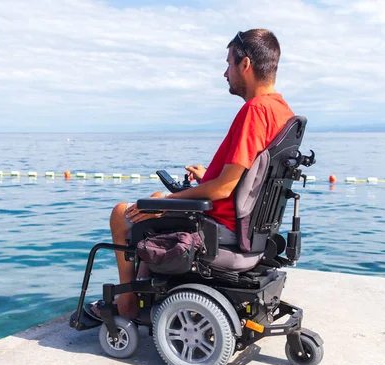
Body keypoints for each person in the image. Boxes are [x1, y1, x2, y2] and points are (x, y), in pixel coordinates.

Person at [97, 28, 295, 320]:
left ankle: (125, 303)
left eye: (228, 64)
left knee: (124, 212)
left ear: (245, 65)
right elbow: (250, 178)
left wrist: (171, 200)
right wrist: (207, 177)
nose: (225, 73)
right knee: (154, 202)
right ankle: (144, 294)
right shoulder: (282, 111)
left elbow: (223, 189)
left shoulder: (254, 111)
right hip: (252, 228)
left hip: (222, 228)